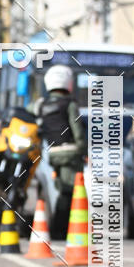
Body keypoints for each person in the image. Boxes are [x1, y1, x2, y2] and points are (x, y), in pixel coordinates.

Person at [35, 64, 87, 240]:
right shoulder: (70, 104)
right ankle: (61, 230)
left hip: (53, 154)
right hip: (71, 154)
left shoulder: (41, 104)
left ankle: (62, 229)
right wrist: (84, 150)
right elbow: (77, 130)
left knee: (62, 190)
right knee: (69, 192)